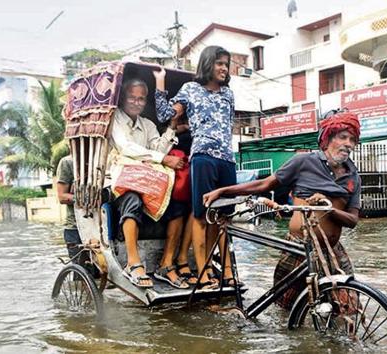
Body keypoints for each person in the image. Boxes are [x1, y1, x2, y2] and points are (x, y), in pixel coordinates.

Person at [203, 109, 362, 308]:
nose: (348, 143)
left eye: (353, 139)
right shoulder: (303, 161)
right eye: (343, 137)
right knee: (284, 306)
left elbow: (353, 220)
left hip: (332, 251)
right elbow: (264, 185)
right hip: (299, 247)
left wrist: (329, 209)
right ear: (328, 137)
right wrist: (223, 190)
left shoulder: (353, 175)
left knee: (350, 306)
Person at [155, 45, 237, 289]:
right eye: (219, 63)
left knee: (223, 217)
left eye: (226, 63)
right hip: (202, 157)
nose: (224, 68)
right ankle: (202, 272)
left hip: (227, 159)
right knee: (201, 215)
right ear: (208, 64)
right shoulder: (190, 89)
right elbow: (163, 114)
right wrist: (160, 82)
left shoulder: (228, 94)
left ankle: (224, 269)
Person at [109, 78, 189, 289]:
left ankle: (166, 263)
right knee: (133, 199)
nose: (136, 102)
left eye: (141, 99)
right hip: (122, 182)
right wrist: (161, 159)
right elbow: (126, 148)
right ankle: (133, 263)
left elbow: (160, 149)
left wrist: (171, 127)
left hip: (151, 182)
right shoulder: (115, 119)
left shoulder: (148, 125)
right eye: (132, 97)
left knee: (179, 203)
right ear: (123, 98)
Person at [56, 154, 81, 261]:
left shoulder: (103, 160)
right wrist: (85, 198)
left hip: (99, 228)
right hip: (75, 228)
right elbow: (62, 197)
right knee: (81, 271)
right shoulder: (68, 162)